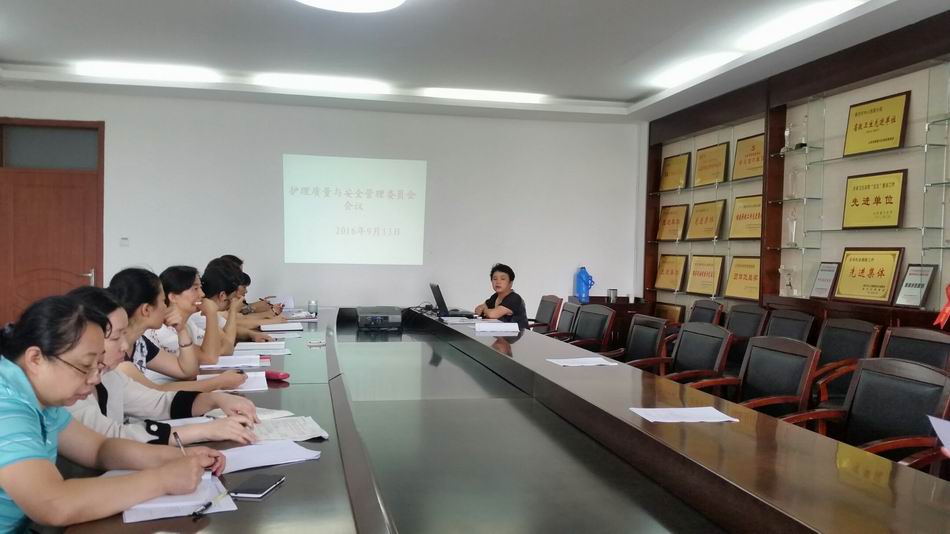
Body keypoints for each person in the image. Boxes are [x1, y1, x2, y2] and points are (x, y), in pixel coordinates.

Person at [0, 296, 226, 530]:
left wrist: (177, 456)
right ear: (35, 359)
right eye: (85, 366)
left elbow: (99, 448)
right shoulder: (7, 407)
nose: (95, 379)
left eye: (97, 365)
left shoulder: (41, 398)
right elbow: (54, 504)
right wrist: (162, 480)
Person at [66, 287, 258, 446]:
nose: (124, 345)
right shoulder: (68, 393)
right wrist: (204, 430)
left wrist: (215, 399)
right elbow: (113, 438)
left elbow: (159, 402)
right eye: (116, 337)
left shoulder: (110, 376)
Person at [108, 267, 246, 393]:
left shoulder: (140, 343)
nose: (166, 307)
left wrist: (182, 331)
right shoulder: (117, 355)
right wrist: (219, 382)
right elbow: (155, 391)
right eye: (162, 301)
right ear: (146, 310)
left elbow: (187, 371)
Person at [473, 263, 529, 330]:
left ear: (510, 283)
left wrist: (485, 310)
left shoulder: (514, 298)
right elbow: (478, 309)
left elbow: (492, 315)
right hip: (502, 333)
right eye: (495, 279)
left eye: (503, 279)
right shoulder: (495, 296)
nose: (498, 282)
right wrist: (486, 310)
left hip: (520, 335)